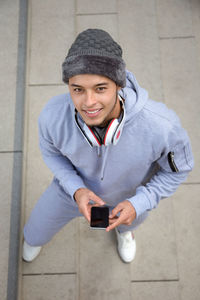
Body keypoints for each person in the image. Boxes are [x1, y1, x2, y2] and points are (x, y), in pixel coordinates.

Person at [23, 28, 194, 263]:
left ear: (119, 85)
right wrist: (76, 189)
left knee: (127, 224)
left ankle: (125, 233)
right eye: (78, 90)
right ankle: (35, 238)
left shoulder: (163, 126)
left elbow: (178, 170)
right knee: (35, 231)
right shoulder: (51, 116)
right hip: (70, 192)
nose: (89, 102)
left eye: (100, 88)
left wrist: (140, 203)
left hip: (130, 198)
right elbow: (51, 153)